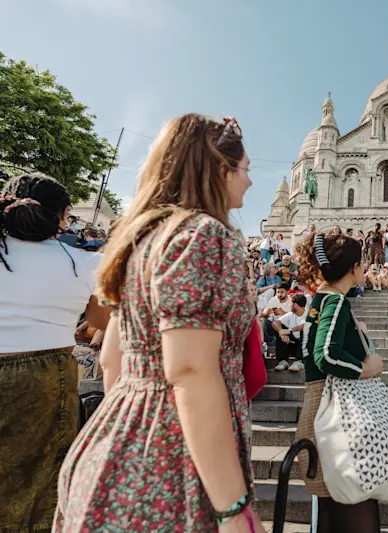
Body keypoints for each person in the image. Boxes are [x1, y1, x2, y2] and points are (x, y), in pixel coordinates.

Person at [54, 115, 267, 532]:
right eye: (245, 170)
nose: (250, 182)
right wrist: (233, 509)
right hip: (176, 456)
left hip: (116, 440)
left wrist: (132, 438)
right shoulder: (203, 235)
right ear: (219, 170)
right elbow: (190, 370)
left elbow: (113, 362)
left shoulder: (143, 238)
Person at [0, 174, 109, 532]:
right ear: (63, 217)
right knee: (39, 482)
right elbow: (100, 320)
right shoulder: (86, 263)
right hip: (44, 377)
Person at [294, 232, 385, 533]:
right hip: (331, 412)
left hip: (323, 408)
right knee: (348, 507)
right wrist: (365, 368)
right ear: (353, 269)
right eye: (361, 264)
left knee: (332, 512)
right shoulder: (334, 301)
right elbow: (325, 356)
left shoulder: (324, 300)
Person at [272, 293, 307, 372]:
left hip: (305, 348)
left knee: (305, 331)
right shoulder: (290, 314)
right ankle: (283, 361)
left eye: (290, 303)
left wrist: (289, 331)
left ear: (295, 305)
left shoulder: (308, 314)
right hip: (293, 345)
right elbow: (275, 323)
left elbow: (305, 326)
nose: (289, 305)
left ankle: (300, 361)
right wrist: (281, 332)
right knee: (280, 328)